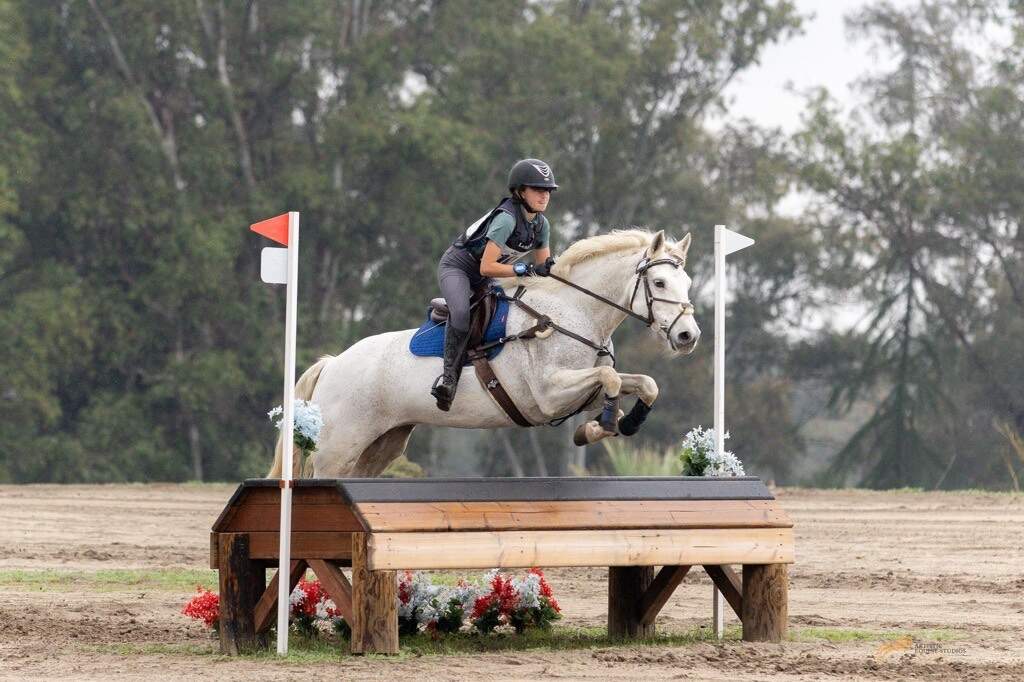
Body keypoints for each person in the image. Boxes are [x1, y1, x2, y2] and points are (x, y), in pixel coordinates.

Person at [431, 158, 559, 411]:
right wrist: (527, 269)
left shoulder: (541, 224)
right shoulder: (507, 219)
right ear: (520, 191)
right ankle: (448, 379)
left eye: (547, 191)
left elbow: (543, 268)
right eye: (537, 190)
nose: (544, 196)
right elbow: (486, 266)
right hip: (459, 268)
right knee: (460, 312)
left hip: (488, 276)